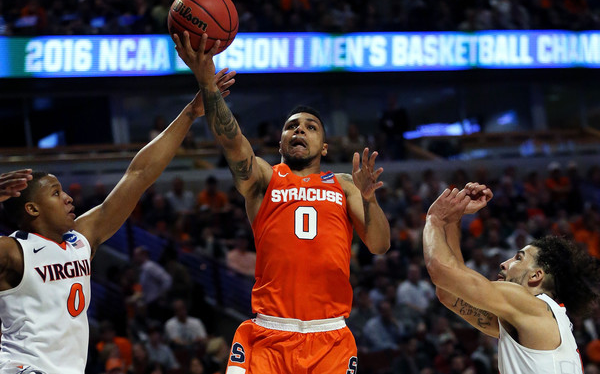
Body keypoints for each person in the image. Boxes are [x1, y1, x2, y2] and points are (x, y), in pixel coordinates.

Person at [173, 32, 391, 373]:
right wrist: (207, 84)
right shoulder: (264, 178)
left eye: (310, 127)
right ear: (280, 142)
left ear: (324, 147)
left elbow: (379, 245)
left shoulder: (345, 185)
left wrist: (369, 198)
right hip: (268, 334)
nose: (300, 131)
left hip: (329, 336)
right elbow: (233, 142)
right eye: (292, 127)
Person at [0, 69, 235, 374]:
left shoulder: (81, 240)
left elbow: (138, 176)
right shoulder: (12, 251)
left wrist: (190, 113)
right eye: (56, 194)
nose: (69, 198)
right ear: (32, 209)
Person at [423, 182, 600, 374]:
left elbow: (441, 271)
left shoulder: (533, 306)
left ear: (536, 275)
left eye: (518, 258)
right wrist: (453, 218)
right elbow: (449, 293)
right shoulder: (533, 320)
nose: (504, 263)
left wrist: (435, 219)